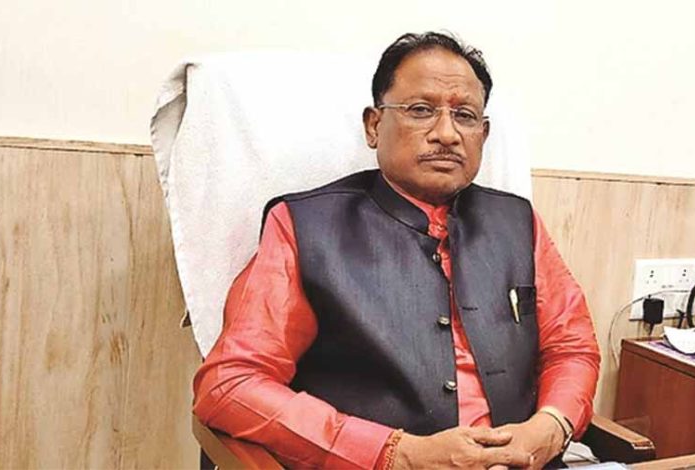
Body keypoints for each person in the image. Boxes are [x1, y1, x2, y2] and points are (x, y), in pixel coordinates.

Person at [193, 31, 600, 469]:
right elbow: (230, 385)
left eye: (464, 116)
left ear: (483, 134)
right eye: (421, 110)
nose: (446, 133)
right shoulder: (304, 227)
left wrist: (549, 428)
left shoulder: (518, 222)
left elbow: (571, 347)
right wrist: (397, 453)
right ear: (374, 126)